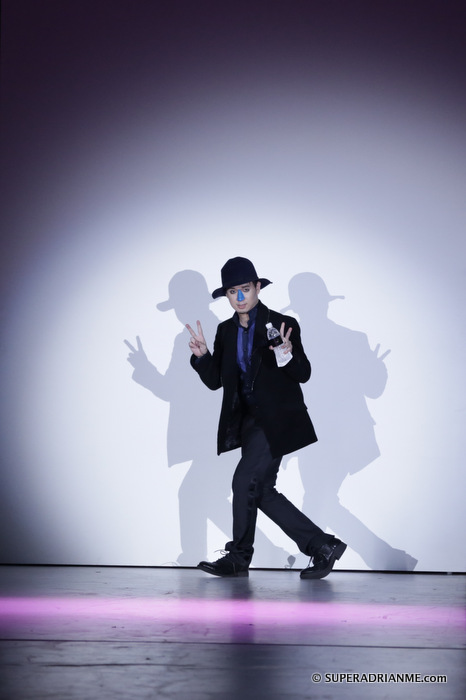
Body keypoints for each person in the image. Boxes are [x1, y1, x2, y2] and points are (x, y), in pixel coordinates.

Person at [186, 256, 346, 579]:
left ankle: (238, 557)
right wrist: (202, 357)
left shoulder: (283, 323)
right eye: (232, 292)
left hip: (276, 421)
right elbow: (216, 381)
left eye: (245, 289)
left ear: (258, 288)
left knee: (242, 481)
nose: (240, 297)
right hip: (248, 425)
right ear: (227, 296)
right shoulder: (225, 331)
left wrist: (286, 355)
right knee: (261, 492)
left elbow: (304, 373)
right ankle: (323, 546)